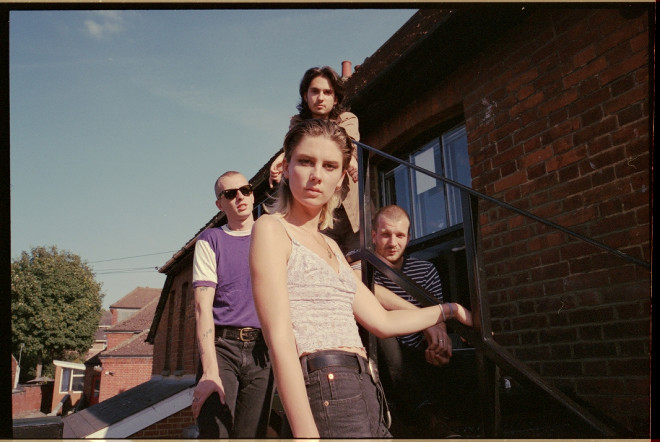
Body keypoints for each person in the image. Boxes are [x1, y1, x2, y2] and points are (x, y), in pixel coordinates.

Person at [249, 119, 473, 438]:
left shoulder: (331, 246)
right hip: (324, 385)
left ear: (341, 177)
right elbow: (280, 338)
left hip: (365, 384)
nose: (317, 175)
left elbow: (382, 321)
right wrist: (305, 432)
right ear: (286, 168)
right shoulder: (272, 229)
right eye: (306, 161)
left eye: (329, 166)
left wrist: (450, 310)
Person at [190, 171, 273, 438]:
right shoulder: (210, 240)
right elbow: (202, 307)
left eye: (245, 190)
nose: (240, 197)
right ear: (220, 204)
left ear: (252, 194)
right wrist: (210, 371)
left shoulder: (273, 237)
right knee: (216, 433)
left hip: (263, 352)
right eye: (230, 194)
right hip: (222, 348)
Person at [370, 204, 457, 436]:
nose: (393, 242)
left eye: (400, 235)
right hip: (380, 355)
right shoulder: (364, 270)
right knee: (382, 332)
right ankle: (426, 417)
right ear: (374, 236)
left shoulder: (425, 270)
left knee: (446, 354)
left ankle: (432, 418)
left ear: (409, 238)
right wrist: (426, 321)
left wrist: (439, 343)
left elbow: (437, 318)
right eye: (386, 234)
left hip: (416, 354)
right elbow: (368, 296)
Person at [269, 66, 361, 256]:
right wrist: (282, 157)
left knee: (358, 264)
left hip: (350, 211)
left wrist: (350, 158)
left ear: (335, 98)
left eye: (327, 92)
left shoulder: (347, 119)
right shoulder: (297, 122)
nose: (320, 98)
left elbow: (348, 144)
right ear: (305, 95)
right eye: (315, 91)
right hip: (318, 212)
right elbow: (293, 146)